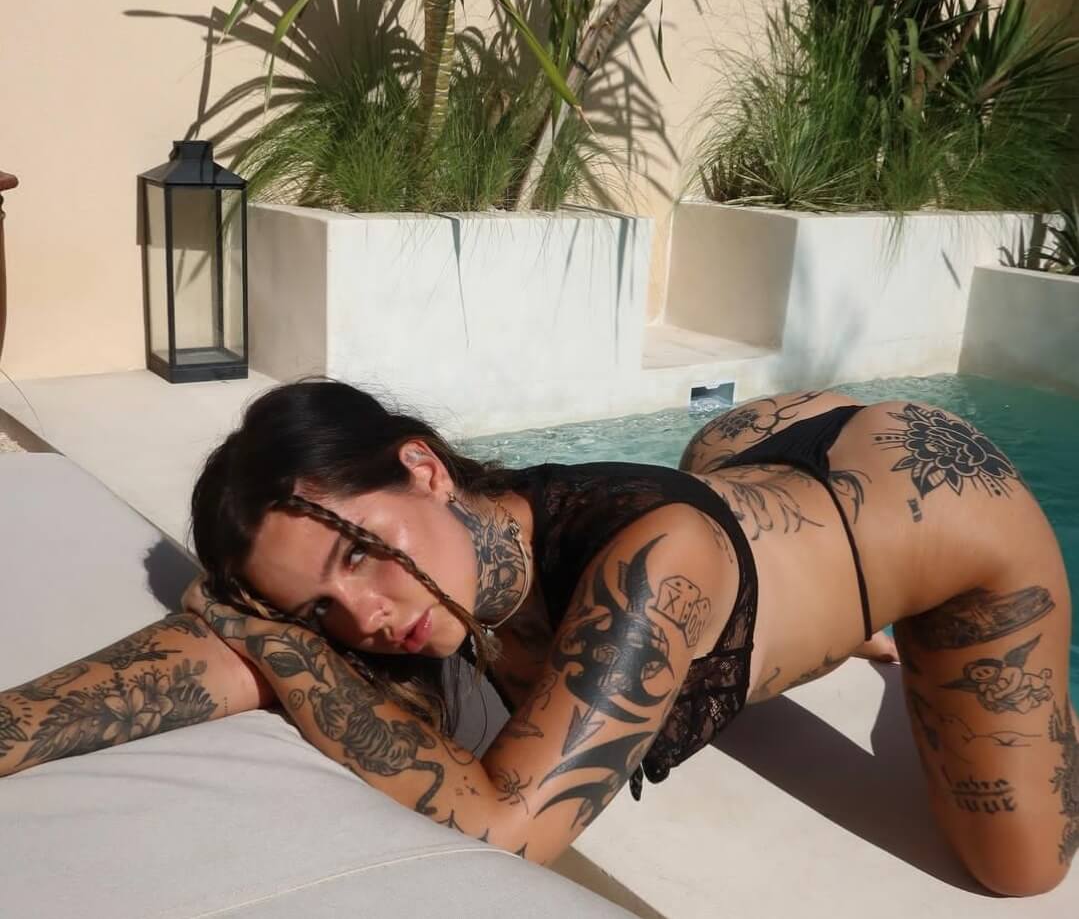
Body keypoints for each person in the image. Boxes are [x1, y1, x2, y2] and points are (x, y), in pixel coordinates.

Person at [1, 381, 1074, 897]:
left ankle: (882, 632)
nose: (362, 619)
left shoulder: (655, 557)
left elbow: (512, 827)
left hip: (942, 506)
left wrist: (281, 645)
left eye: (360, 554)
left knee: (1016, 870)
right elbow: (214, 652)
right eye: (316, 610)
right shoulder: (447, 547)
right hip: (748, 451)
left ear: (424, 467)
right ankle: (841, 620)